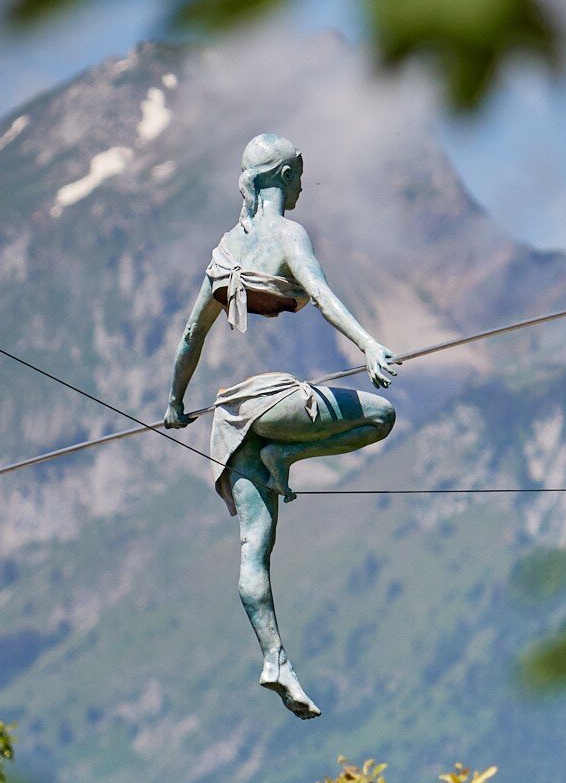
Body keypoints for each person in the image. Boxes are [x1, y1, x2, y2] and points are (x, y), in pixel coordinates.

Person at [164, 134, 398, 719]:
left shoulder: (223, 253)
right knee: (382, 416)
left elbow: (191, 338)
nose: (302, 188)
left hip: (228, 417)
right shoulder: (289, 237)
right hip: (276, 398)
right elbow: (319, 293)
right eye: (300, 176)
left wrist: (174, 402)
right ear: (286, 174)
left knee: (255, 548)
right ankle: (287, 458)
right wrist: (369, 346)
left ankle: (275, 659)